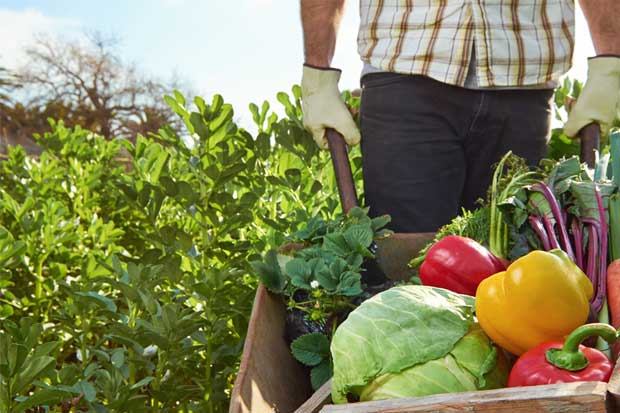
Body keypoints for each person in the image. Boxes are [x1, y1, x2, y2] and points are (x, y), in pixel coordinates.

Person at [300, 0, 620, 233]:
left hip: (523, 76)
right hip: (405, 71)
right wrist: (318, 73)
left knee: (514, 262)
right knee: (405, 275)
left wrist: (610, 61)